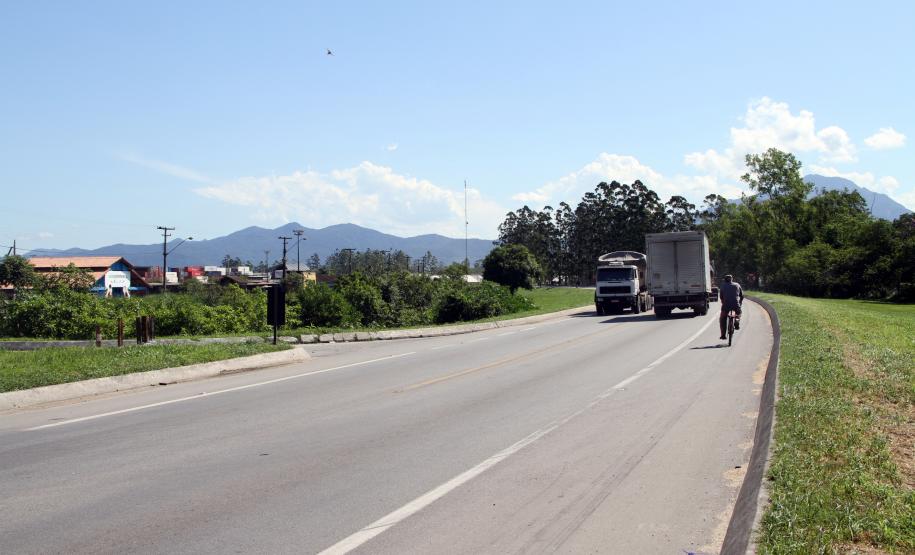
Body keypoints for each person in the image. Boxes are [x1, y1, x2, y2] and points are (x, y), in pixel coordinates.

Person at [719, 274, 744, 340]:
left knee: (722, 318)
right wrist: (740, 303)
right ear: (732, 279)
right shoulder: (737, 285)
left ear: (725, 280)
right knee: (738, 313)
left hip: (726, 306)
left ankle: (723, 335)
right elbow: (742, 296)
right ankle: (737, 320)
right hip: (736, 305)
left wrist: (723, 303)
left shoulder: (723, 285)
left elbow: (721, 297)